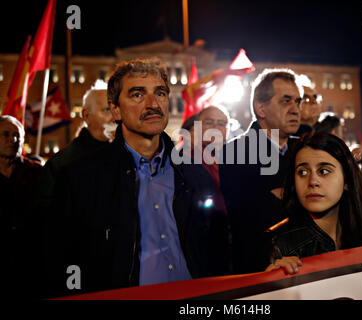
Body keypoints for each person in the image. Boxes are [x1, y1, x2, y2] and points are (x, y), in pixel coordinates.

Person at [41, 58, 209, 297]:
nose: (153, 104)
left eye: (160, 93)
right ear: (115, 110)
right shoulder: (81, 177)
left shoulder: (193, 173)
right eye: (138, 95)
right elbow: (60, 257)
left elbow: (217, 244)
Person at [219, 68, 303, 274]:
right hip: (261, 271)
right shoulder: (235, 151)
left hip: (308, 266)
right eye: (286, 101)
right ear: (261, 108)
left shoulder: (303, 149)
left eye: (298, 102)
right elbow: (251, 220)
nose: (295, 109)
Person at [266, 132, 362, 274]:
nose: (313, 181)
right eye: (302, 172)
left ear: (347, 180)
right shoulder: (278, 244)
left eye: (324, 171)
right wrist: (270, 280)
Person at [37, 80, 117, 211]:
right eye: (107, 110)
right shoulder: (61, 164)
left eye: (117, 110)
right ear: (86, 115)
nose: (114, 118)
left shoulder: (128, 156)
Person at [180, 105, 232, 276]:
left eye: (222, 123)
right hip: (200, 246)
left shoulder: (237, 159)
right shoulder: (183, 161)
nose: (216, 128)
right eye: (209, 122)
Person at [0, 115, 43, 297]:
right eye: (6, 134)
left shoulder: (37, 173)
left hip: (31, 264)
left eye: (17, 136)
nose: (13, 140)